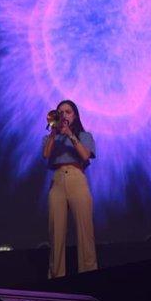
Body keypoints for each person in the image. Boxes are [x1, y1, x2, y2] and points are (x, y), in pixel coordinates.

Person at [41, 100, 97, 278]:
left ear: (75, 115)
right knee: (55, 233)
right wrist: (53, 132)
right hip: (57, 181)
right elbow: (46, 154)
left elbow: (85, 155)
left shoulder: (84, 135)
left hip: (76, 177)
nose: (64, 115)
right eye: (60, 112)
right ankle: (56, 277)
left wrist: (70, 135)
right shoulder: (51, 137)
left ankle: (89, 275)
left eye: (68, 112)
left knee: (85, 231)